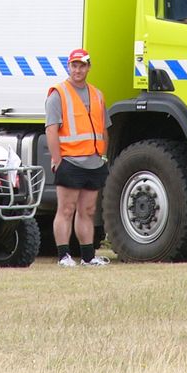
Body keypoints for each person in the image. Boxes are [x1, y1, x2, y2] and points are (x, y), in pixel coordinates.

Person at [45, 48, 110, 267]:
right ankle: (64, 256)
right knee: (66, 209)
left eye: (82, 65)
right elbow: (51, 130)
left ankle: (88, 257)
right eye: (74, 65)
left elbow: (104, 128)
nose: (78, 70)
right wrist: (57, 159)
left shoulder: (97, 94)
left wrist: (102, 155)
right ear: (69, 67)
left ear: (89, 67)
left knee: (88, 211)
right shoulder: (58, 94)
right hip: (70, 161)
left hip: (93, 162)